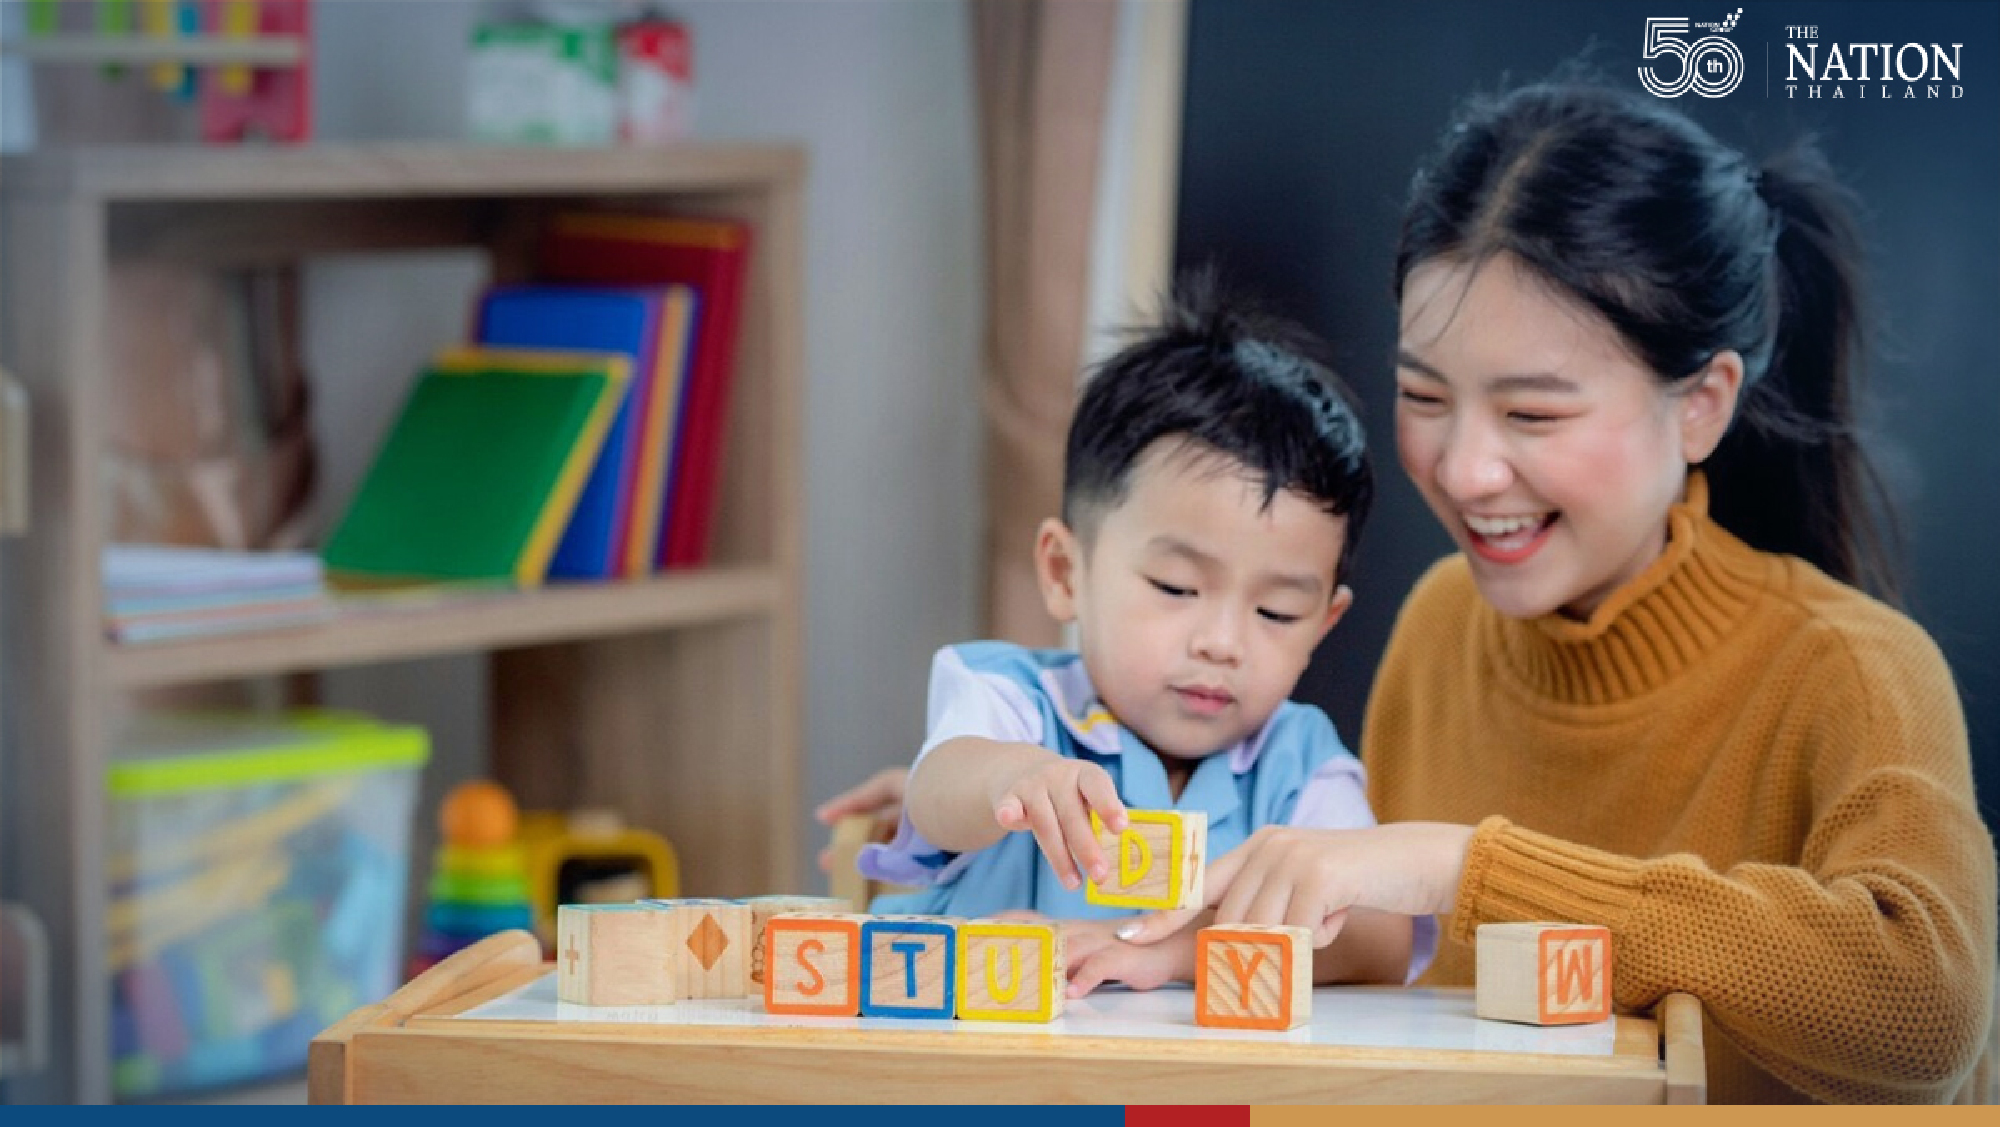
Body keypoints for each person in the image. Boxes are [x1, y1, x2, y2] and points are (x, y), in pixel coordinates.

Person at [820, 82, 1997, 1102]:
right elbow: (1368, 975)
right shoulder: (1444, 624)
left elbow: (1923, 1016)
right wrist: (978, 792)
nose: (1463, 467)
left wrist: (1455, 868)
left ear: (1699, 403)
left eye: (1532, 412)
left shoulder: (1850, 670)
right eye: (1425, 395)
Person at [854, 285, 1414, 991]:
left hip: (1191, 1101)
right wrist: (1012, 778)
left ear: (1323, 626)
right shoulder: (1016, 700)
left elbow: (1376, 939)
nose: (1222, 642)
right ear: (1065, 571)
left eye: (1276, 612)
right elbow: (937, 792)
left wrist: (1172, 951)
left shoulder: (1299, 766)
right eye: (1178, 588)